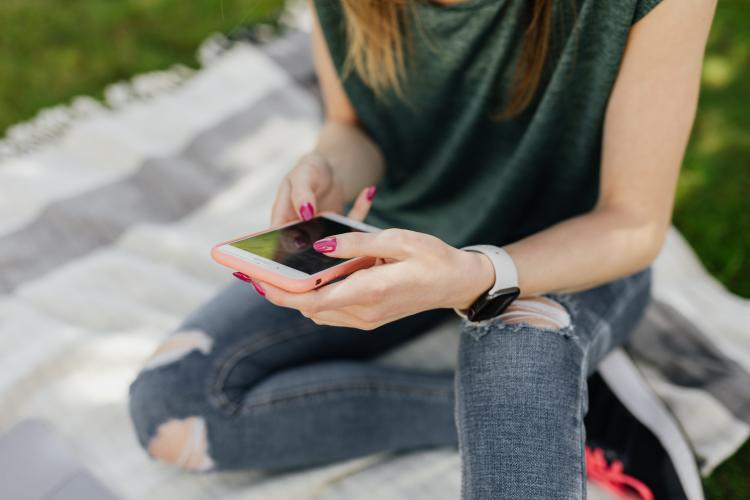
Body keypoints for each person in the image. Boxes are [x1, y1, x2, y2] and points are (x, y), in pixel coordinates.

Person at [129, 0, 716, 497]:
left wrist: (472, 277)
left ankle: (544, 408)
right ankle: (576, 417)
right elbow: (353, 125)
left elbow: (633, 222)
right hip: (403, 237)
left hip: (570, 251)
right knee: (174, 406)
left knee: (513, 359)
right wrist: (329, 167)